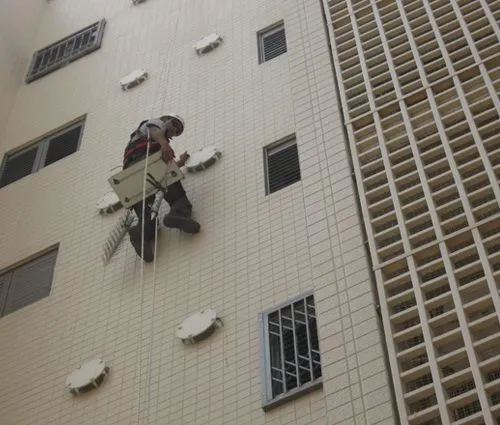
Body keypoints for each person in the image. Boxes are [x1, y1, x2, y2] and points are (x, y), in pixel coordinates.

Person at [123, 114, 200, 262]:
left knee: (149, 221)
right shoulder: (155, 124)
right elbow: (155, 131)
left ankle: (139, 233)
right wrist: (164, 144)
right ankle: (178, 213)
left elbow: (169, 168)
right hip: (146, 165)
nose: (175, 130)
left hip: (132, 178)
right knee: (179, 199)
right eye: (175, 124)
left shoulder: (158, 143)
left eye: (177, 131)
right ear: (165, 119)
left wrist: (180, 162)